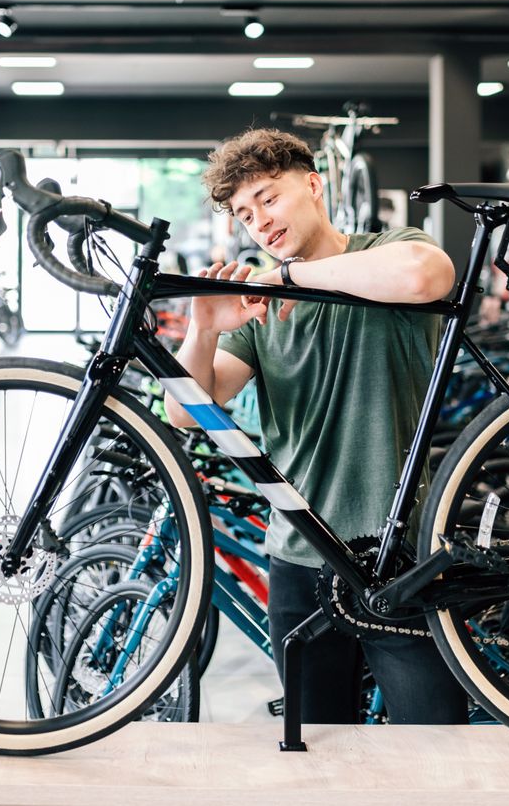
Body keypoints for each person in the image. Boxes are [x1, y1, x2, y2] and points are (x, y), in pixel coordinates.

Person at [164, 128, 469, 724]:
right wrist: (203, 328)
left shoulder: (388, 247)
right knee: (318, 757)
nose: (261, 223)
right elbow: (185, 411)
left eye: (269, 198)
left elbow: (424, 277)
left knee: (436, 755)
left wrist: (291, 279)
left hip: (400, 557)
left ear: (312, 185)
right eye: (245, 215)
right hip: (300, 562)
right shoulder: (259, 311)